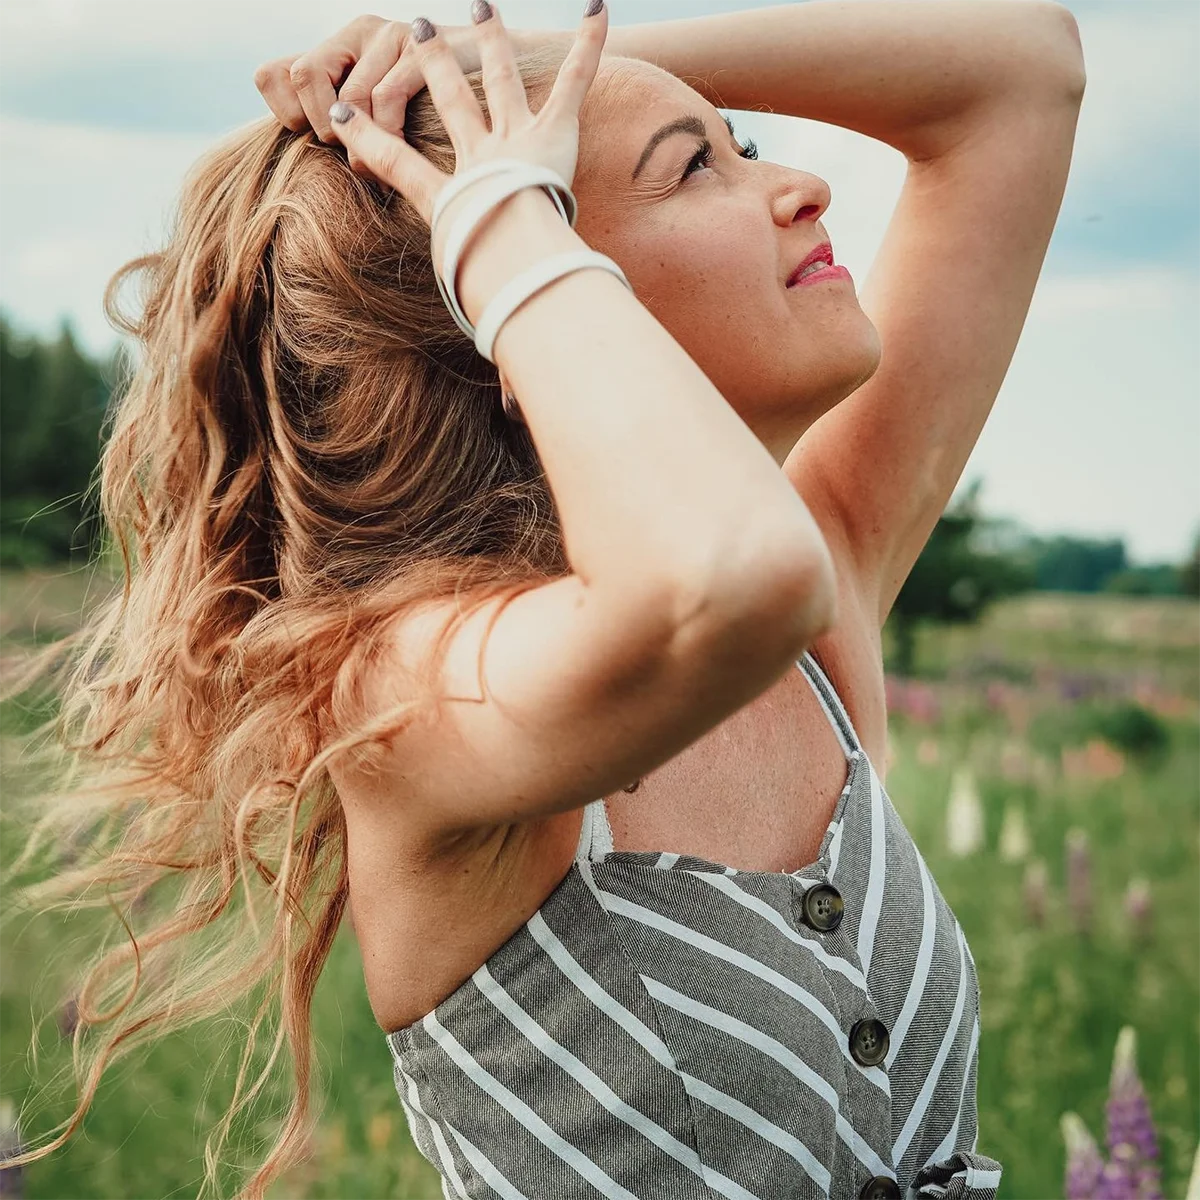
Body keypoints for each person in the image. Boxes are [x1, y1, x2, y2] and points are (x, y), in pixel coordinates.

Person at [2, 0, 1086, 1197]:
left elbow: (1023, 74)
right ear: (508, 296)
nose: (804, 185)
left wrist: (511, 72)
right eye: (696, 171)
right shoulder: (407, 691)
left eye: (745, 146)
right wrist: (500, 216)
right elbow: (718, 584)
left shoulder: (813, 596)